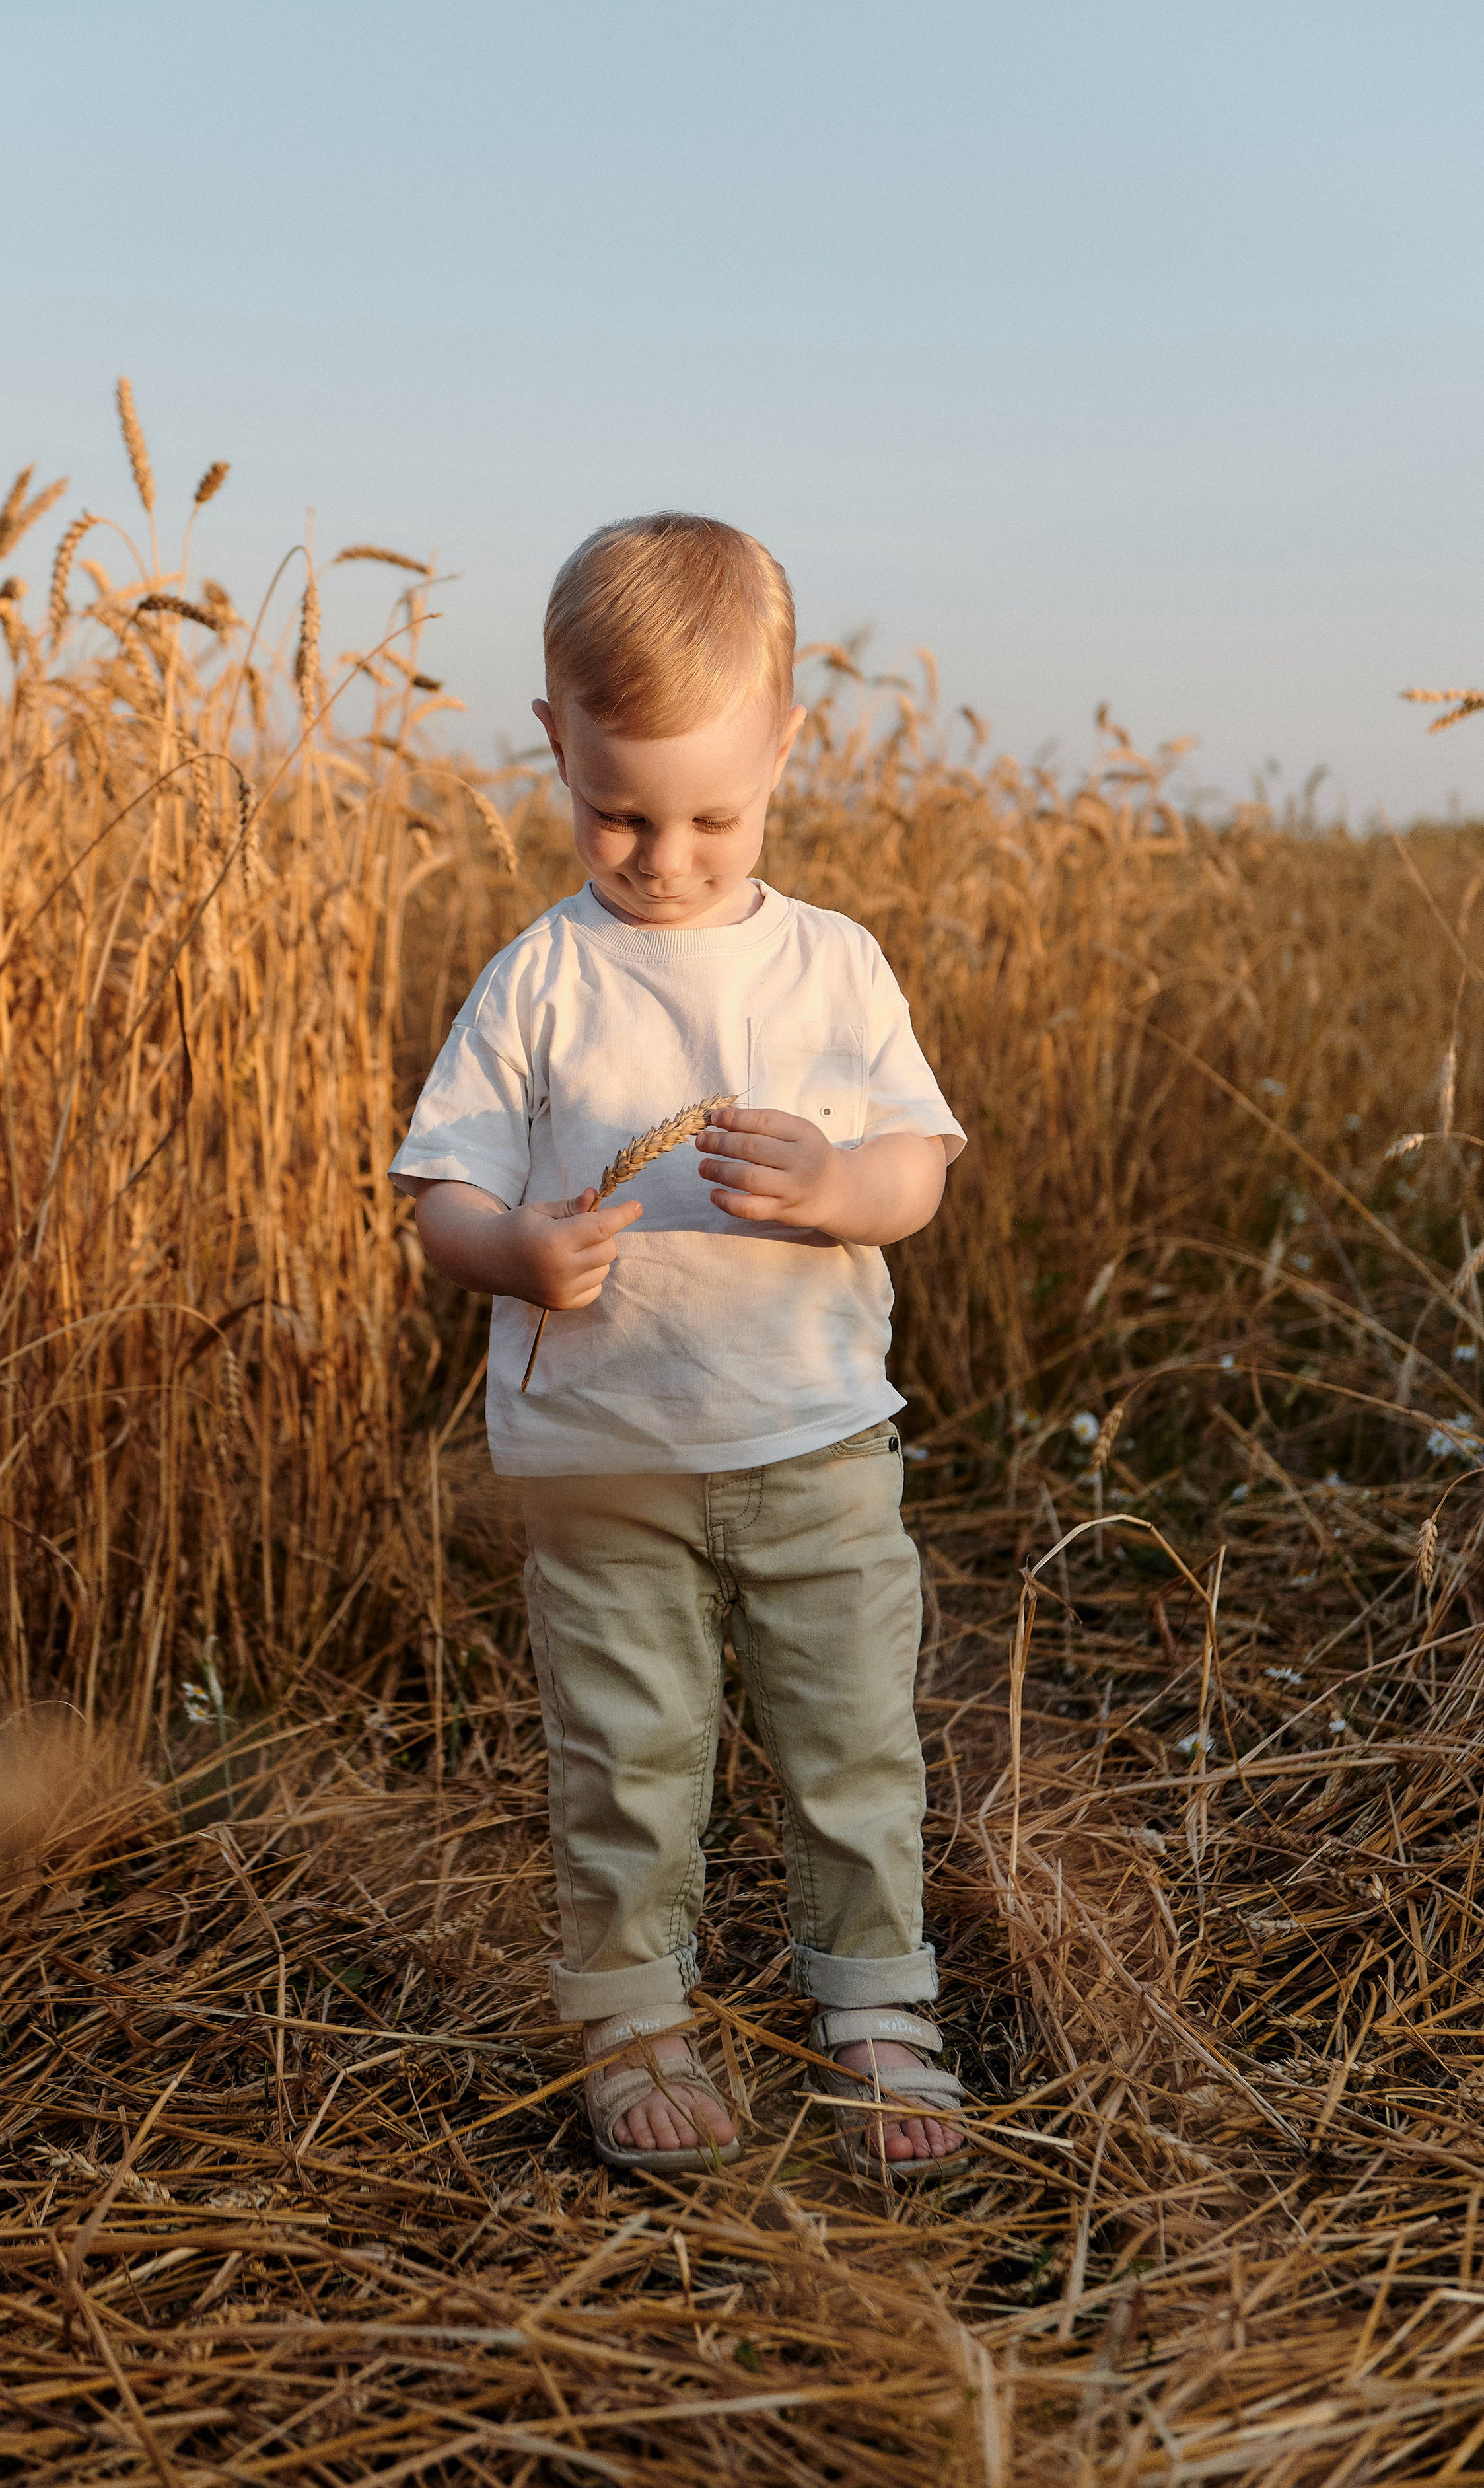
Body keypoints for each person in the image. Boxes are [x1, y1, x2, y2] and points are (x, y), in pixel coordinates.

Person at [389, 512, 969, 2179]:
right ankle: (634, 2013)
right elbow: (442, 1198)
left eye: (713, 814)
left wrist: (837, 1184)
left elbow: (919, 1174)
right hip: (602, 1466)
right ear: (553, 741)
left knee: (851, 1735)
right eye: (616, 809)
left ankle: (875, 1998)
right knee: (629, 1757)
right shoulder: (537, 984)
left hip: (809, 1443)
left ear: (786, 746)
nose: (663, 855)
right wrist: (519, 1251)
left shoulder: (833, 967)